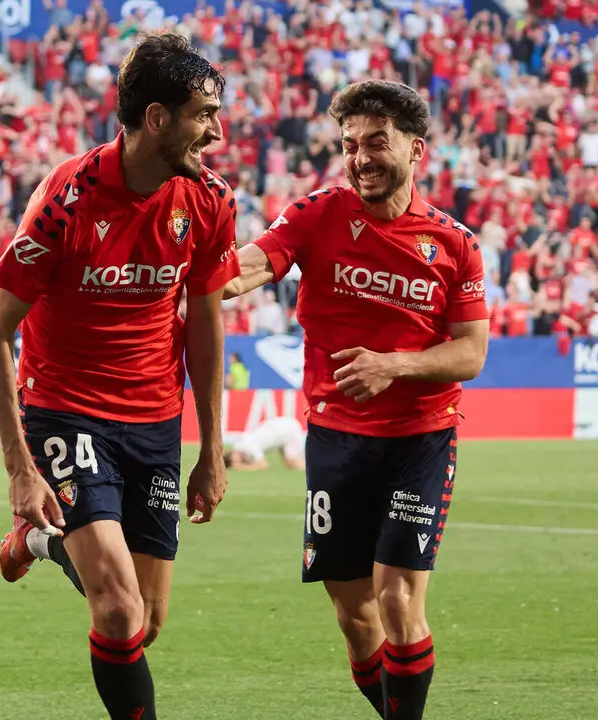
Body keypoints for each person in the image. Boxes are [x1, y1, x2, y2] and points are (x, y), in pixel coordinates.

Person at [0, 34, 240, 720]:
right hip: (66, 412)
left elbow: (205, 328)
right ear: (157, 118)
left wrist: (212, 448)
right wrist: (19, 469)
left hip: (154, 419)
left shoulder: (210, 202)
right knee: (119, 608)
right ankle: (42, 520)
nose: (216, 131)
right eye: (204, 114)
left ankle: (38, 540)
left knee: (145, 621)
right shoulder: (68, 200)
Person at [223, 80, 489, 720]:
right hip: (336, 439)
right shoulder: (319, 213)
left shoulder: (455, 244)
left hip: (420, 438)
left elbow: (471, 353)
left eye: (377, 142)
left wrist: (394, 366)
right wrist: (185, 288)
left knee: (398, 601)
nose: (361, 157)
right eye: (350, 145)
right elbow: (253, 265)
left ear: (415, 149)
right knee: (354, 615)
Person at [224, 415, 306, 471]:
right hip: (284, 430)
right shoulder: (242, 445)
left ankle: (315, 467)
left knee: (296, 465)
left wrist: (242, 467)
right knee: (291, 465)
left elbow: (263, 465)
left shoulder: (246, 444)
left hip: (288, 430)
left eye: (233, 459)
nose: (236, 461)